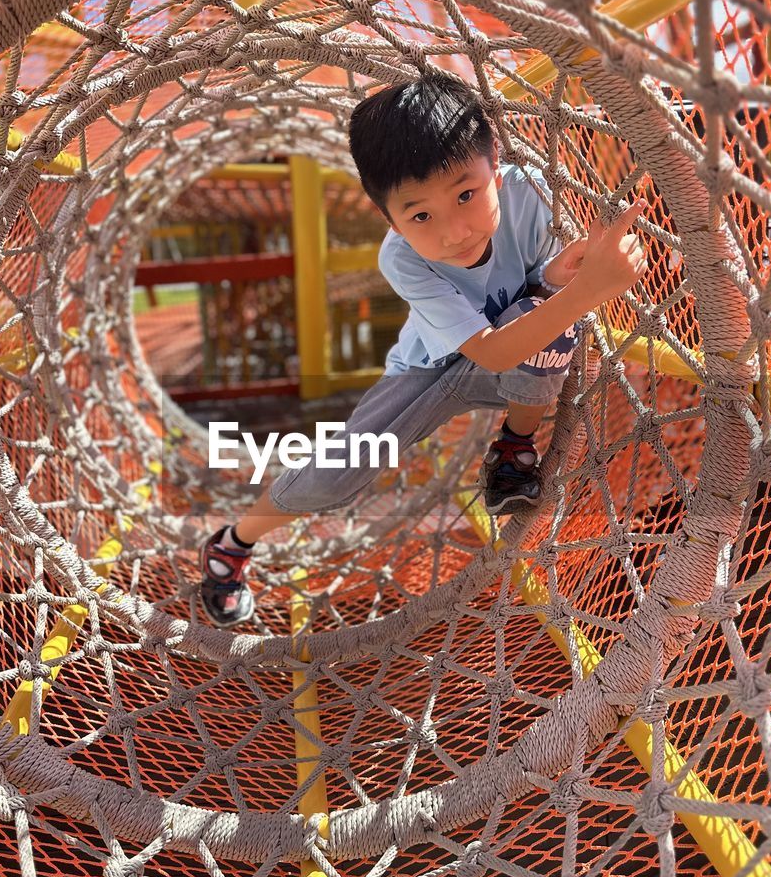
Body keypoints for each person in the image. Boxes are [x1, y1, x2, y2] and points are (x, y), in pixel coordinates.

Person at [198, 73, 647, 626]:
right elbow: (490, 352)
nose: (455, 230)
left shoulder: (531, 192)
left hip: (512, 340)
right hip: (429, 370)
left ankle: (514, 447)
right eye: (420, 216)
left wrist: (567, 275)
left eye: (466, 193)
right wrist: (589, 289)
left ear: (495, 164)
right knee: (338, 474)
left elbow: (537, 287)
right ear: (389, 220)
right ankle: (232, 543)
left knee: (553, 324)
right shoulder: (402, 258)